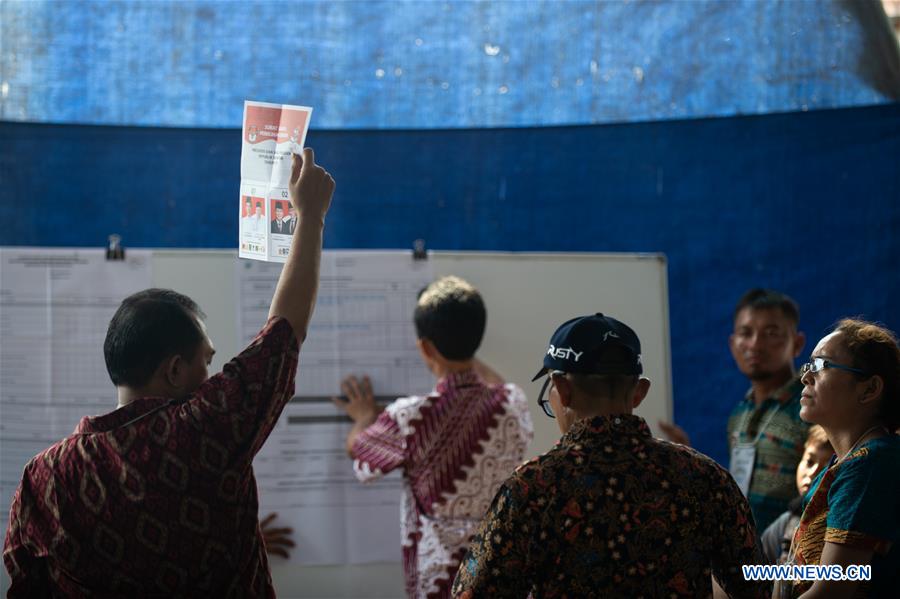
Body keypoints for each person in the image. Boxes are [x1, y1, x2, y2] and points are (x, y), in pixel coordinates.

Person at [2, 149, 335, 597]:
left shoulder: (43, 477)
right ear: (175, 370)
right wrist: (310, 215)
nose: (212, 373)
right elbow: (284, 331)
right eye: (207, 360)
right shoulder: (202, 431)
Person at [452, 313, 769, 598]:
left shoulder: (531, 488)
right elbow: (756, 584)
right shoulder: (704, 477)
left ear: (562, 389)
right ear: (639, 392)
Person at [333, 276, 533, 598]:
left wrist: (364, 417)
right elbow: (495, 383)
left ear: (425, 347)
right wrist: (459, 339)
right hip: (501, 569)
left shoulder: (410, 417)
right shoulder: (512, 402)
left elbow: (358, 448)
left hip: (441, 579)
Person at [660, 289, 809, 533]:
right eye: (745, 333)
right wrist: (688, 458)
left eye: (771, 333)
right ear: (732, 344)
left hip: (792, 561)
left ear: (797, 344)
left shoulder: (809, 410)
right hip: (745, 557)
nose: (755, 344)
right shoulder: (740, 414)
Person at [784, 318, 900, 598]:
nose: (806, 376)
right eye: (808, 365)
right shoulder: (842, 464)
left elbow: (832, 589)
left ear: (869, 389)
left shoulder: (871, 463)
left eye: (821, 365)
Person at [760, 425, 832, 564]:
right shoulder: (787, 521)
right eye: (809, 462)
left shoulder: (837, 524)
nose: (812, 473)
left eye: (826, 469)